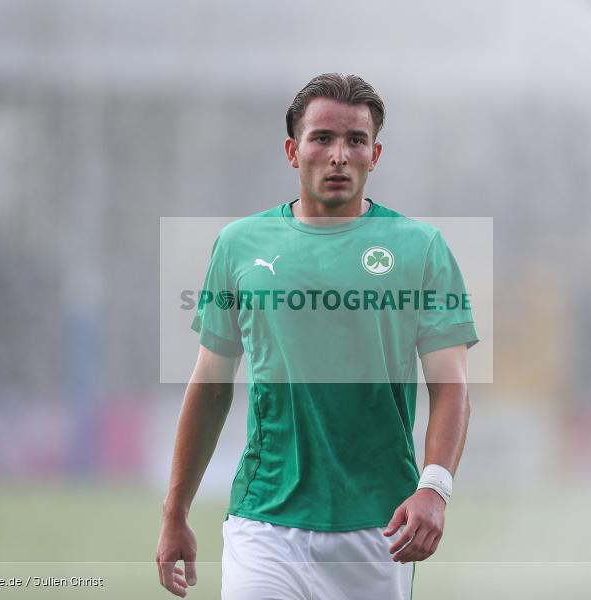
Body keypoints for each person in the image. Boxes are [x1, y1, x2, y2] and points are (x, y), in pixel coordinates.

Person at [156, 73, 479, 599]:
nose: (339, 155)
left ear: (375, 154)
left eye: (355, 140)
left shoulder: (421, 249)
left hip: (380, 527)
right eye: (322, 138)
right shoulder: (239, 245)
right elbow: (211, 385)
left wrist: (435, 489)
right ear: (292, 150)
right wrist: (175, 513)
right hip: (264, 521)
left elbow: (451, 386)